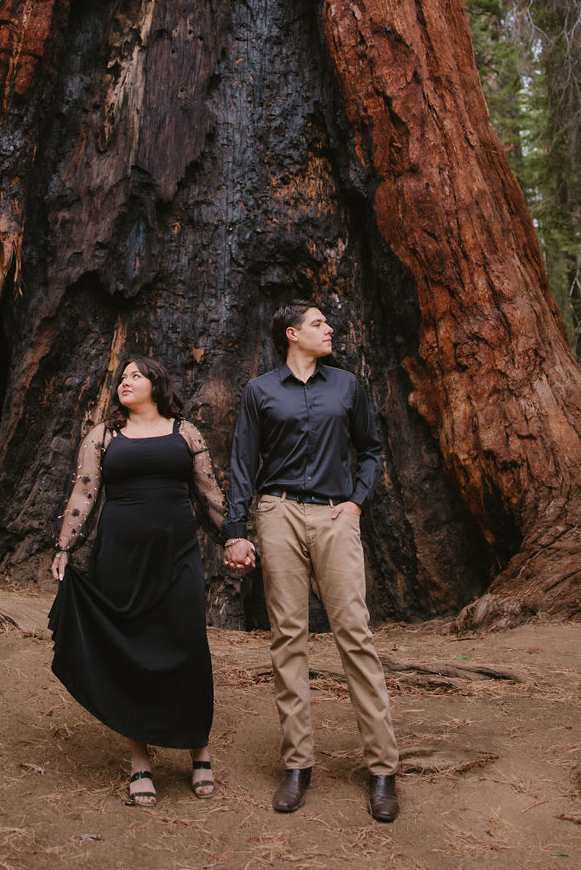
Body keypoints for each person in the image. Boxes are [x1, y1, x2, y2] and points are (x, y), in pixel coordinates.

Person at [222, 301, 400, 822]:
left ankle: (383, 770)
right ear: (292, 334)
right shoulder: (260, 391)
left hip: (334, 514)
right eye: (320, 323)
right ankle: (297, 764)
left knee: (355, 633)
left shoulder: (346, 386)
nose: (330, 330)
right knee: (288, 637)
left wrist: (357, 501)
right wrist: (236, 529)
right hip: (277, 513)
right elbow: (242, 462)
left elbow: (371, 448)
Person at [49, 355, 226, 805]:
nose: (125, 382)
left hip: (177, 556)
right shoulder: (104, 435)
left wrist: (237, 538)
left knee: (187, 645)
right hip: (120, 557)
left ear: (156, 383)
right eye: (122, 377)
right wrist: (65, 546)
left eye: (135, 375)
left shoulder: (184, 432)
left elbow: (208, 491)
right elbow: (84, 489)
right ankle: (139, 761)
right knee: (130, 649)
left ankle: (198, 750)